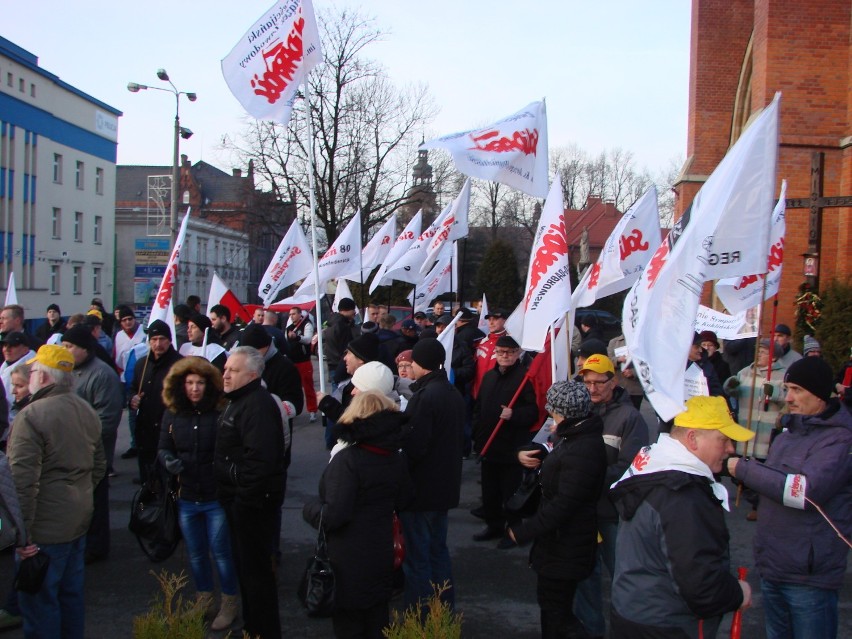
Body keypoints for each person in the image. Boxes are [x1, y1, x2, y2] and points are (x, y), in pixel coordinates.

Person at [727, 357, 852, 639]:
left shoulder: (840, 440)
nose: (789, 397)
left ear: (819, 393)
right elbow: (774, 482)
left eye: (796, 389)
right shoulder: (787, 434)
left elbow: (803, 493)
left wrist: (744, 469)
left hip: (809, 575)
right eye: (787, 389)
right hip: (774, 566)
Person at [610, 395, 753, 638]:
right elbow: (702, 587)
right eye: (723, 439)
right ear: (692, 438)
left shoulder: (653, 467)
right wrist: (738, 593)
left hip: (633, 611)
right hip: (670, 623)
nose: (730, 449)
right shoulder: (684, 495)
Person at [7, 344, 106, 638]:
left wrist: (21, 535)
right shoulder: (85, 409)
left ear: (44, 377)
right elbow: (98, 467)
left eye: (35, 370)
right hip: (77, 519)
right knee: (70, 596)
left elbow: (20, 482)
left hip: (43, 530)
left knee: (39, 604)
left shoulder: (31, 415)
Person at [303, 391, 411, 638]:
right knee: (377, 620)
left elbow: (333, 516)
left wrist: (309, 509)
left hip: (348, 559)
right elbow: (405, 499)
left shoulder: (348, 460)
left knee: (349, 625)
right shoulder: (395, 456)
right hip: (382, 551)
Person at [508, 381, 607, 639]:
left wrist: (525, 530)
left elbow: (565, 504)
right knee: (553, 610)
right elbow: (551, 454)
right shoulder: (574, 437)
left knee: (558, 614)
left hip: (566, 544)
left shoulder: (582, 448)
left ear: (563, 412)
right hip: (559, 544)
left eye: (552, 411)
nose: (550, 416)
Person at [158, 357, 240, 631]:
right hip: (187, 495)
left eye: (200, 383)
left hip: (215, 494)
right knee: (195, 553)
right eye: (190, 383)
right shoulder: (172, 412)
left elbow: (234, 448)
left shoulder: (220, 412)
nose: (195, 388)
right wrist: (168, 460)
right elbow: (163, 446)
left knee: (221, 552)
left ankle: (229, 602)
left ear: (209, 384)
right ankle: (203, 599)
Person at [574, 354, 649, 638]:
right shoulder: (580, 412)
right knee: (585, 579)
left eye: (599, 382)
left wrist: (587, 479)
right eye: (587, 381)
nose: (592, 388)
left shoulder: (630, 418)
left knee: (623, 579)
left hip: (614, 513)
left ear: (613, 381)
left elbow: (630, 468)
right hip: (584, 511)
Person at [215, 347, 285, 639]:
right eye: (226, 369)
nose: (226, 374)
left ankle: (262, 631)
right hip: (240, 501)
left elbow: (260, 461)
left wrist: (243, 500)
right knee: (247, 573)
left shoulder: (257, 405)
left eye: (234, 370)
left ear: (253, 375)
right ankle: (252, 628)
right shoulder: (238, 401)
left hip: (252, 505)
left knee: (256, 577)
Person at [400, 338, 465, 612]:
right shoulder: (451, 392)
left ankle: (421, 616)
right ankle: (444, 611)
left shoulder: (425, 398)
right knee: (438, 552)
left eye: (412, 361)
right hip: (444, 487)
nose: (409, 366)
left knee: (418, 558)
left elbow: (416, 447)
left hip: (422, 490)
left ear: (421, 364)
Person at [62, 324, 124, 563]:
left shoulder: (101, 374)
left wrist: (78, 439)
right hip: (72, 453)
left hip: (93, 453)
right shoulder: (70, 371)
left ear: (85, 348)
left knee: (95, 503)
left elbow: (107, 419)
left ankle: (96, 548)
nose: (65, 351)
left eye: (70, 346)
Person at [472, 335, 538, 549]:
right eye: (500, 352)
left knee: (510, 491)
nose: (504, 356)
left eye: (509, 352)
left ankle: (513, 530)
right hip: (488, 444)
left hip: (511, 446)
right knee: (489, 492)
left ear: (518, 353)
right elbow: (479, 406)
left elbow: (532, 412)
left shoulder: (523, 378)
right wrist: (477, 434)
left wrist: (514, 415)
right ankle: (493, 525)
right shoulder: (489, 377)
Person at [129, 320, 182, 484]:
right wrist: (133, 399)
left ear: (169, 340)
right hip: (145, 427)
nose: (158, 344)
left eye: (162, 339)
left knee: (166, 475)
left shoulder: (179, 365)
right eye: (154, 339)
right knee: (147, 470)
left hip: (168, 427)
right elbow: (133, 388)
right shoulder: (141, 365)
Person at [114, 304, 145, 459]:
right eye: (124, 320)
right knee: (132, 414)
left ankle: (143, 444)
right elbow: (118, 359)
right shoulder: (119, 336)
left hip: (142, 379)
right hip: (126, 380)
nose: (128, 322)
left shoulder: (143, 334)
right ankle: (134, 444)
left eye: (130, 319)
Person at [286, 307, 318, 422]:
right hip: (292, 362)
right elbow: (286, 342)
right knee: (293, 388)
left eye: (294, 313)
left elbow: (308, 340)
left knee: (308, 386)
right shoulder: (289, 328)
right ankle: (294, 409)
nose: (292, 316)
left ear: (300, 314)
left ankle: (312, 410)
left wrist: (297, 337)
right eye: (290, 314)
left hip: (304, 361)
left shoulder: (306, 324)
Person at [473, 308, 508, 398]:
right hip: (477, 394)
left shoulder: (511, 344)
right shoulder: (482, 342)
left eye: (495, 319)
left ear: (505, 320)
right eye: (489, 320)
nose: (491, 323)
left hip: (497, 395)